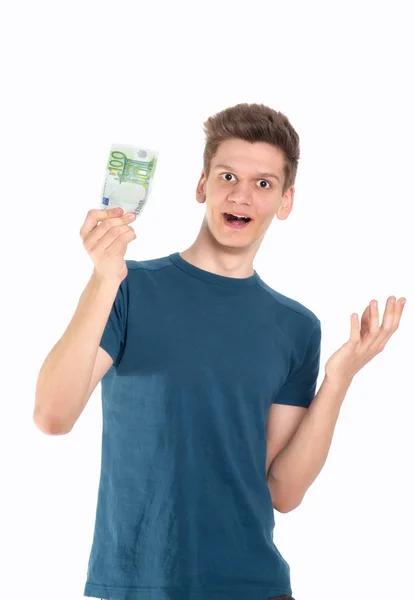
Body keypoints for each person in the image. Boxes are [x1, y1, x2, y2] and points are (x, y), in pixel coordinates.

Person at [33, 102, 405, 600]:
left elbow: (283, 492)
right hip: (137, 585)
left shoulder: (296, 327)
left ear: (286, 201)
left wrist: (339, 380)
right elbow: (52, 416)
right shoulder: (128, 289)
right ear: (202, 184)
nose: (242, 195)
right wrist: (104, 277)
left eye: (264, 184)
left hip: (256, 586)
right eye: (228, 175)